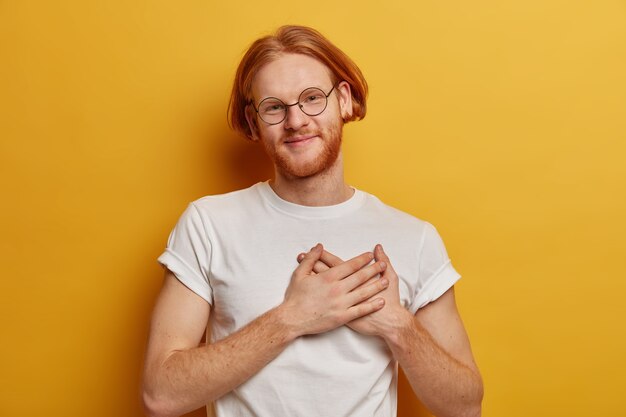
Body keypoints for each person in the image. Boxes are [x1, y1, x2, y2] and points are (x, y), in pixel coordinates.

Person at [142, 25, 483, 417]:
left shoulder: (414, 238)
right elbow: (160, 395)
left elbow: (466, 407)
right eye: (274, 106)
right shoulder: (208, 225)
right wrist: (292, 319)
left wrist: (397, 325)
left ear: (344, 101)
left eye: (311, 99)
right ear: (254, 124)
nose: (296, 120)